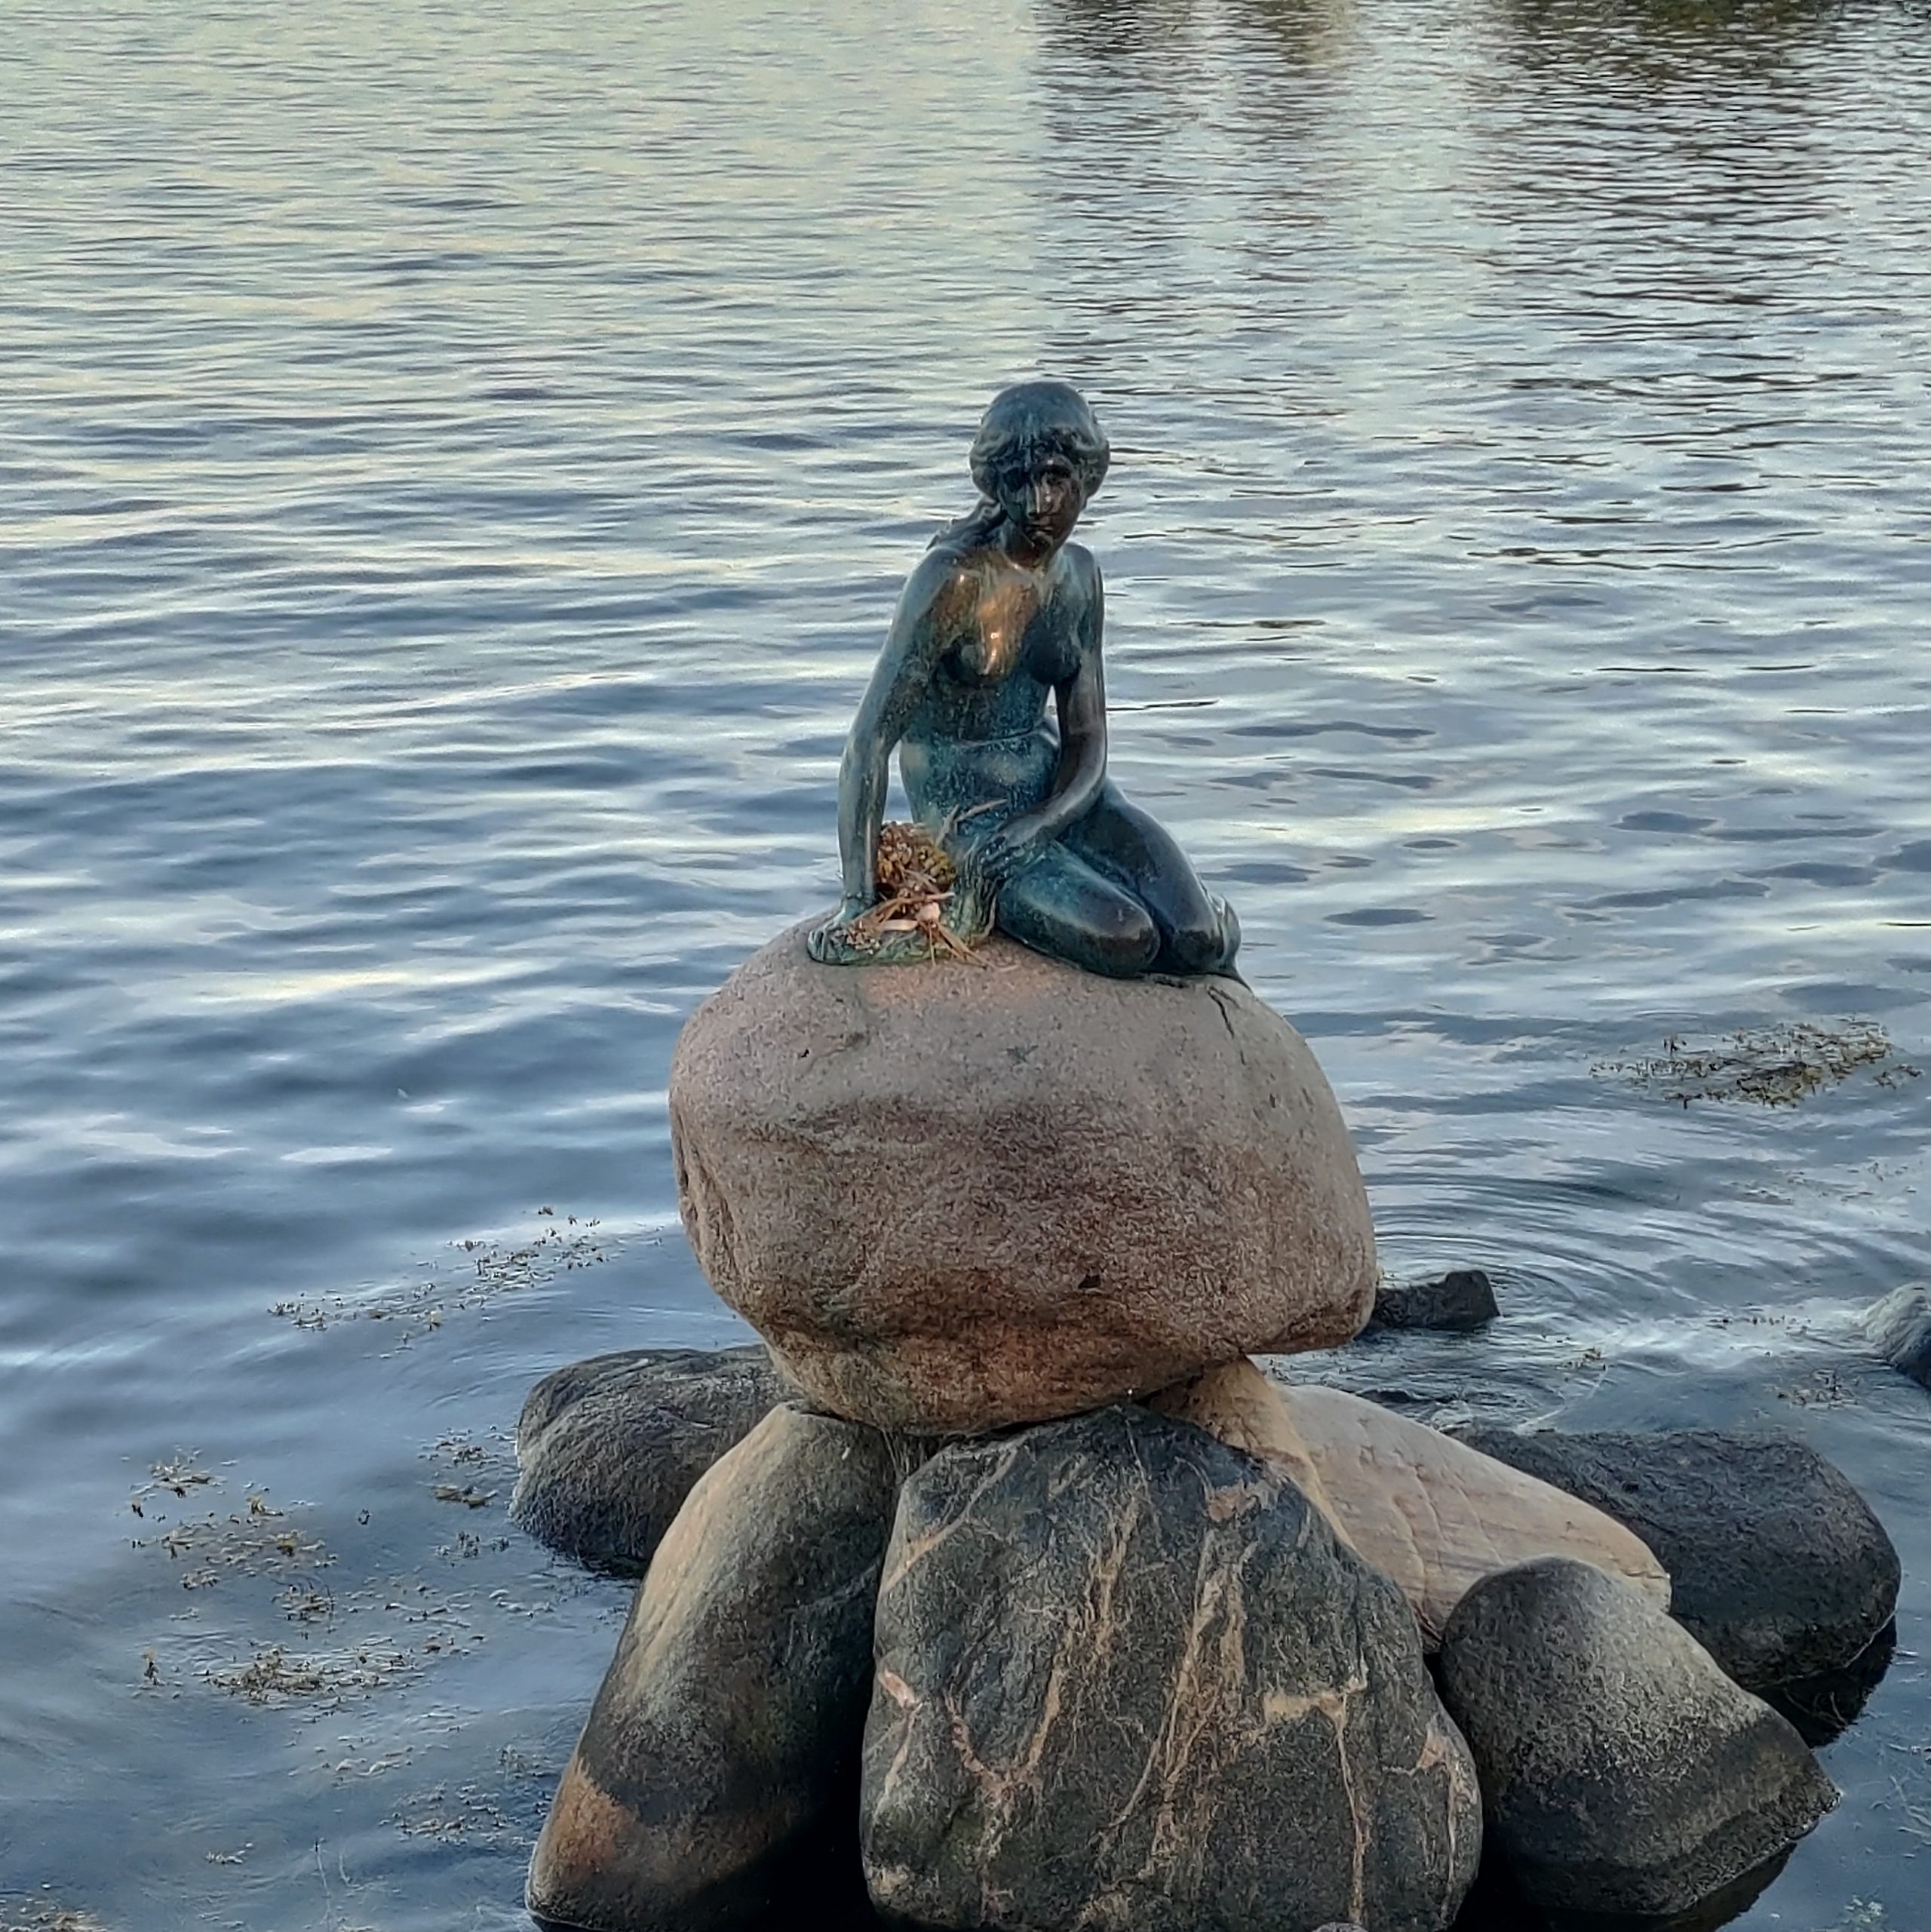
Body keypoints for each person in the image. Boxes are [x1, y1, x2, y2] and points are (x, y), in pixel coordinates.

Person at [809, 379, 1239, 980]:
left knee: (1199, 939)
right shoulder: (953, 581)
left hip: (1062, 797)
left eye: (1056, 478)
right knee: (1128, 938)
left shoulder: (1079, 578)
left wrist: (1048, 819)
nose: (1038, 503)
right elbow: (868, 744)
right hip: (973, 819)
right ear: (995, 484)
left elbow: (1087, 739)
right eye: (1018, 480)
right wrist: (858, 900)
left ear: (1087, 478)